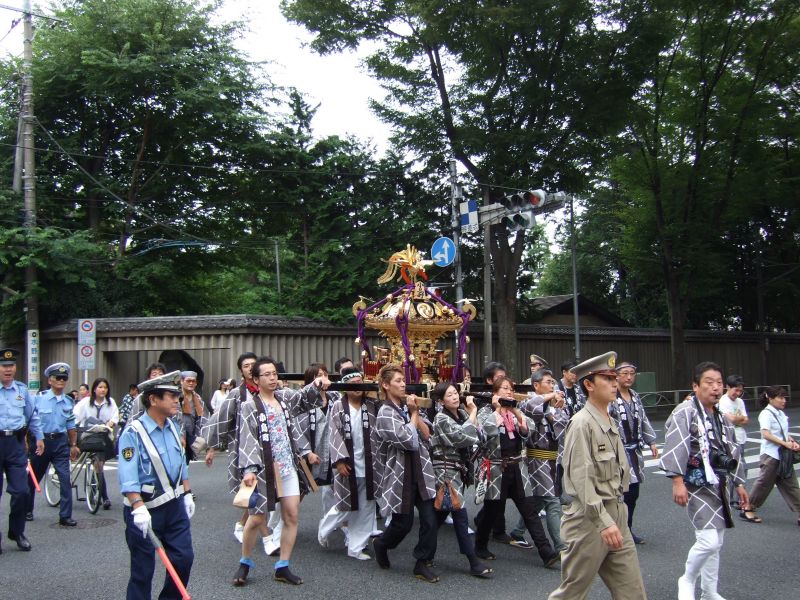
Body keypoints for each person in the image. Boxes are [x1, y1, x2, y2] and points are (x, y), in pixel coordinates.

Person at [548, 351, 647, 600]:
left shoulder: (609, 419)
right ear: (589, 385)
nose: (615, 383)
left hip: (617, 514)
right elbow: (580, 479)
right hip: (589, 520)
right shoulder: (581, 423)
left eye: (615, 377)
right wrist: (603, 522)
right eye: (607, 378)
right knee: (572, 594)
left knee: (633, 593)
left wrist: (615, 519)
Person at [233, 356, 328, 586]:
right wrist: (249, 469)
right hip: (263, 469)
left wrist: (317, 385)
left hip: (287, 466)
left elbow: (304, 398)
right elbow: (247, 438)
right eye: (266, 374)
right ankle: (245, 562)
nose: (272, 378)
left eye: (274, 374)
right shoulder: (249, 406)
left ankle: (283, 566)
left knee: (291, 516)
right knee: (256, 518)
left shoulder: (284, 398)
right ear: (256, 379)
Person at [660, 361, 748, 600]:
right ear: (695, 386)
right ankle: (687, 579)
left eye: (719, 383)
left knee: (717, 541)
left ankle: (709, 591)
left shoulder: (720, 416)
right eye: (709, 382)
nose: (716, 387)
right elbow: (676, 444)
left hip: (720, 483)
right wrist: (677, 481)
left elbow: (732, 450)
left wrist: (739, 483)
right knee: (708, 540)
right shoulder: (685, 411)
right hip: (696, 483)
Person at [118, 371, 194, 600]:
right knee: (142, 571)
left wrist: (187, 493)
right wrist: (137, 506)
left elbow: (181, 463)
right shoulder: (133, 432)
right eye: (171, 396)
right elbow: (128, 474)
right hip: (145, 509)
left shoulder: (173, 426)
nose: (177, 401)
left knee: (183, 559)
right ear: (153, 399)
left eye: (177, 396)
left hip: (174, 506)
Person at [472, 376, 559, 568]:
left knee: (529, 510)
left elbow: (529, 431)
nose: (509, 392)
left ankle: (546, 552)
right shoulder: (486, 411)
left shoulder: (515, 410)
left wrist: (516, 413)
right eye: (504, 388)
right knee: (492, 510)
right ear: (495, 392)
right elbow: (485, 432)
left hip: (517, 466)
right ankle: (480, 544)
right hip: (496, 466)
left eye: (511, 388)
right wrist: (497, 409)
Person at [371, 364, 440, 583]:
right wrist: (413, 414)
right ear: (385, 385)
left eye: (404, 381)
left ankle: (422, 562)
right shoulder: (385, 412)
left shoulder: (407, 407)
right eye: (398, 381)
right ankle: (382, 544)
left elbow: (427, 435)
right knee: (403, 524)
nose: (403, 385)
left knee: (430, 520)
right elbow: (408, 440)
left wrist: (414, 413)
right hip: (400, 474)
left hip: (421, 470)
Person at [201, 352, 271, 552]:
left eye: (253, 364)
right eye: (246, 365)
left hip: (267, 449)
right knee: (255, 492)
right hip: (243, 449)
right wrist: (211, 447)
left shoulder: (267, 390)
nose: (250, 368)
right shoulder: (236, 394)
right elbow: (221, 421)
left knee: (262, 493)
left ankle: (242, 525)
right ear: (241, 370)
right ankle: (268, 538)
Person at [428, 381, 492, 578]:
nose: (455, 397)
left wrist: (472, 415)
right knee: (459, 514)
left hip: (458, 469)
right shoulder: (440, 418)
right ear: (440, 401)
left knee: (438, 516)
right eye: (449, 395)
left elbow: (480, 435)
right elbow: (461, 437)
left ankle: (423, 553)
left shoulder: (462, 414)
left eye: (456, 393)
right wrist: (473, 412)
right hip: (446, 470)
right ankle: (473, 561)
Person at [318, 367, 379, 560]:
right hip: (348, 462)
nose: (357, 387)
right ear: (344, 387)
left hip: (370, 463)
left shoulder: (372, 404)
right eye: (352, 384)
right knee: (345, 503)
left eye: (360, 383)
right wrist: (339, 461)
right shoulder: (338, 406)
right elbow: (333, 435)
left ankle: (356, 547)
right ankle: (324, 529)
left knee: (367, 507)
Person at [514, 368, 568, 553]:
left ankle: (517, 531)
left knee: (539, 500)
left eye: (553, 382)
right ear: (536, 385)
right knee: (552, 500)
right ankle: (560, 546)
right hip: (536, 458)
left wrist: (554, 410)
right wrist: (551, 400)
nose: (552, 386)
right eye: (548, 382)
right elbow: (532, 410)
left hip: (553, 458)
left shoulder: (555, 403)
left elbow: (563, 425)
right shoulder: (526, 401)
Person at [608, 361, 658, 544]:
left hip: (634, 451)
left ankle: (627, 528)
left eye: (632, 373)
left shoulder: (635, 396)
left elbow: (643, 419)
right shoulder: (611, 396)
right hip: (617, 452)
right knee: (618, 493)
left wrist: (651, 441)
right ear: (616, 375)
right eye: (625, 373)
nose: (629, 377)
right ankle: (615, 528)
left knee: (633, 493)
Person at [0, 348, 43, 553]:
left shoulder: (21, 390)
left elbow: (32, 415)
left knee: (22, 491)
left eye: (11, 365)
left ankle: (17, 531)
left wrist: (39, 437)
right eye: (3, 366)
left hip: (16, 444)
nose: (8, 369)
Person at [27, 362, 80, 526]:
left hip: (60, 443)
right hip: (42, 442)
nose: (61, 381)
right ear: (50, 380)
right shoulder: (39, 399)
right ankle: (27, 509)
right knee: (34, 477)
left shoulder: (68, 401)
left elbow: (71, 425)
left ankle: (65, 515)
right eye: (58, 377)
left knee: (65, 478)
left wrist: (73, 445)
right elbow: (30, 421)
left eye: (64, 378)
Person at [740, 386, 800, 525]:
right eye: (781, 397)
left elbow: (783, 432)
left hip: (783, 456)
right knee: (763, 485)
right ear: (770, 398)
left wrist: (792, 442)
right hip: (771, 455)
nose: (784, 400)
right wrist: (785, 444)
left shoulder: (780, 413)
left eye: (784, 397)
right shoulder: (766, 414)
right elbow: (766, 434)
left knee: (791, 485)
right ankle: (748, 508)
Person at [74, 377, 119, 509]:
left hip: (103, 437)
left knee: (98, 465)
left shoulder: (111, 402)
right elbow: (75, 416)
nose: (103, 390)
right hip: (88, 436)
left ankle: (98, 494)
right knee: (97, 465)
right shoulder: (85, 402)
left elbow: (115, 417)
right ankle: (104, 497)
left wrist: (110, 423)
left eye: (105, 387)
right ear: (94, 389)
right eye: (100, 387)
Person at [717, 375, 748, 507]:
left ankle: (737, 497)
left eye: (740, 390)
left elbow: (746, 420)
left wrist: (736, 419)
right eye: (736, 390)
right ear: (728, 387)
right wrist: (738, 419)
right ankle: (732, 498)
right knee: (734, 468)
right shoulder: (722, 401)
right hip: (728, 439)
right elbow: (730, 419)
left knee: (742, 468)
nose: (738, 393)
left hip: (741, 438)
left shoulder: (740, 402)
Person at [179, 371, 205, 464]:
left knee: (186, 465)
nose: (191, 383)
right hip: (177, 436)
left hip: (191, 437)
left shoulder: (198, 398)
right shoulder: (176, 396)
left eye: (193, 381)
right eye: (188, 381)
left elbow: (203, 418)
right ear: (181, 381)